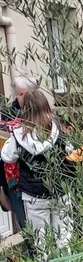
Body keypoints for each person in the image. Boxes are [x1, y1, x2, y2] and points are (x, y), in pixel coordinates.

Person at [0, 89, 74, 251]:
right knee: (64, 238)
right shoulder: (59, 130)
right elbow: (70, 151)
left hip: (34, 196)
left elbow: (7, 157)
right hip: (60, 191)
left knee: (41, 243)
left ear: (25, 110)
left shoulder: (18, 136)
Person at [0, 75, 39, 231]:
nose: (22, 98)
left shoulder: (43, 113)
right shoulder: (7, 115)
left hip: (40, 181)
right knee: (27, 226)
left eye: (25, 94)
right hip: (15, 181)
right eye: (20, 94)